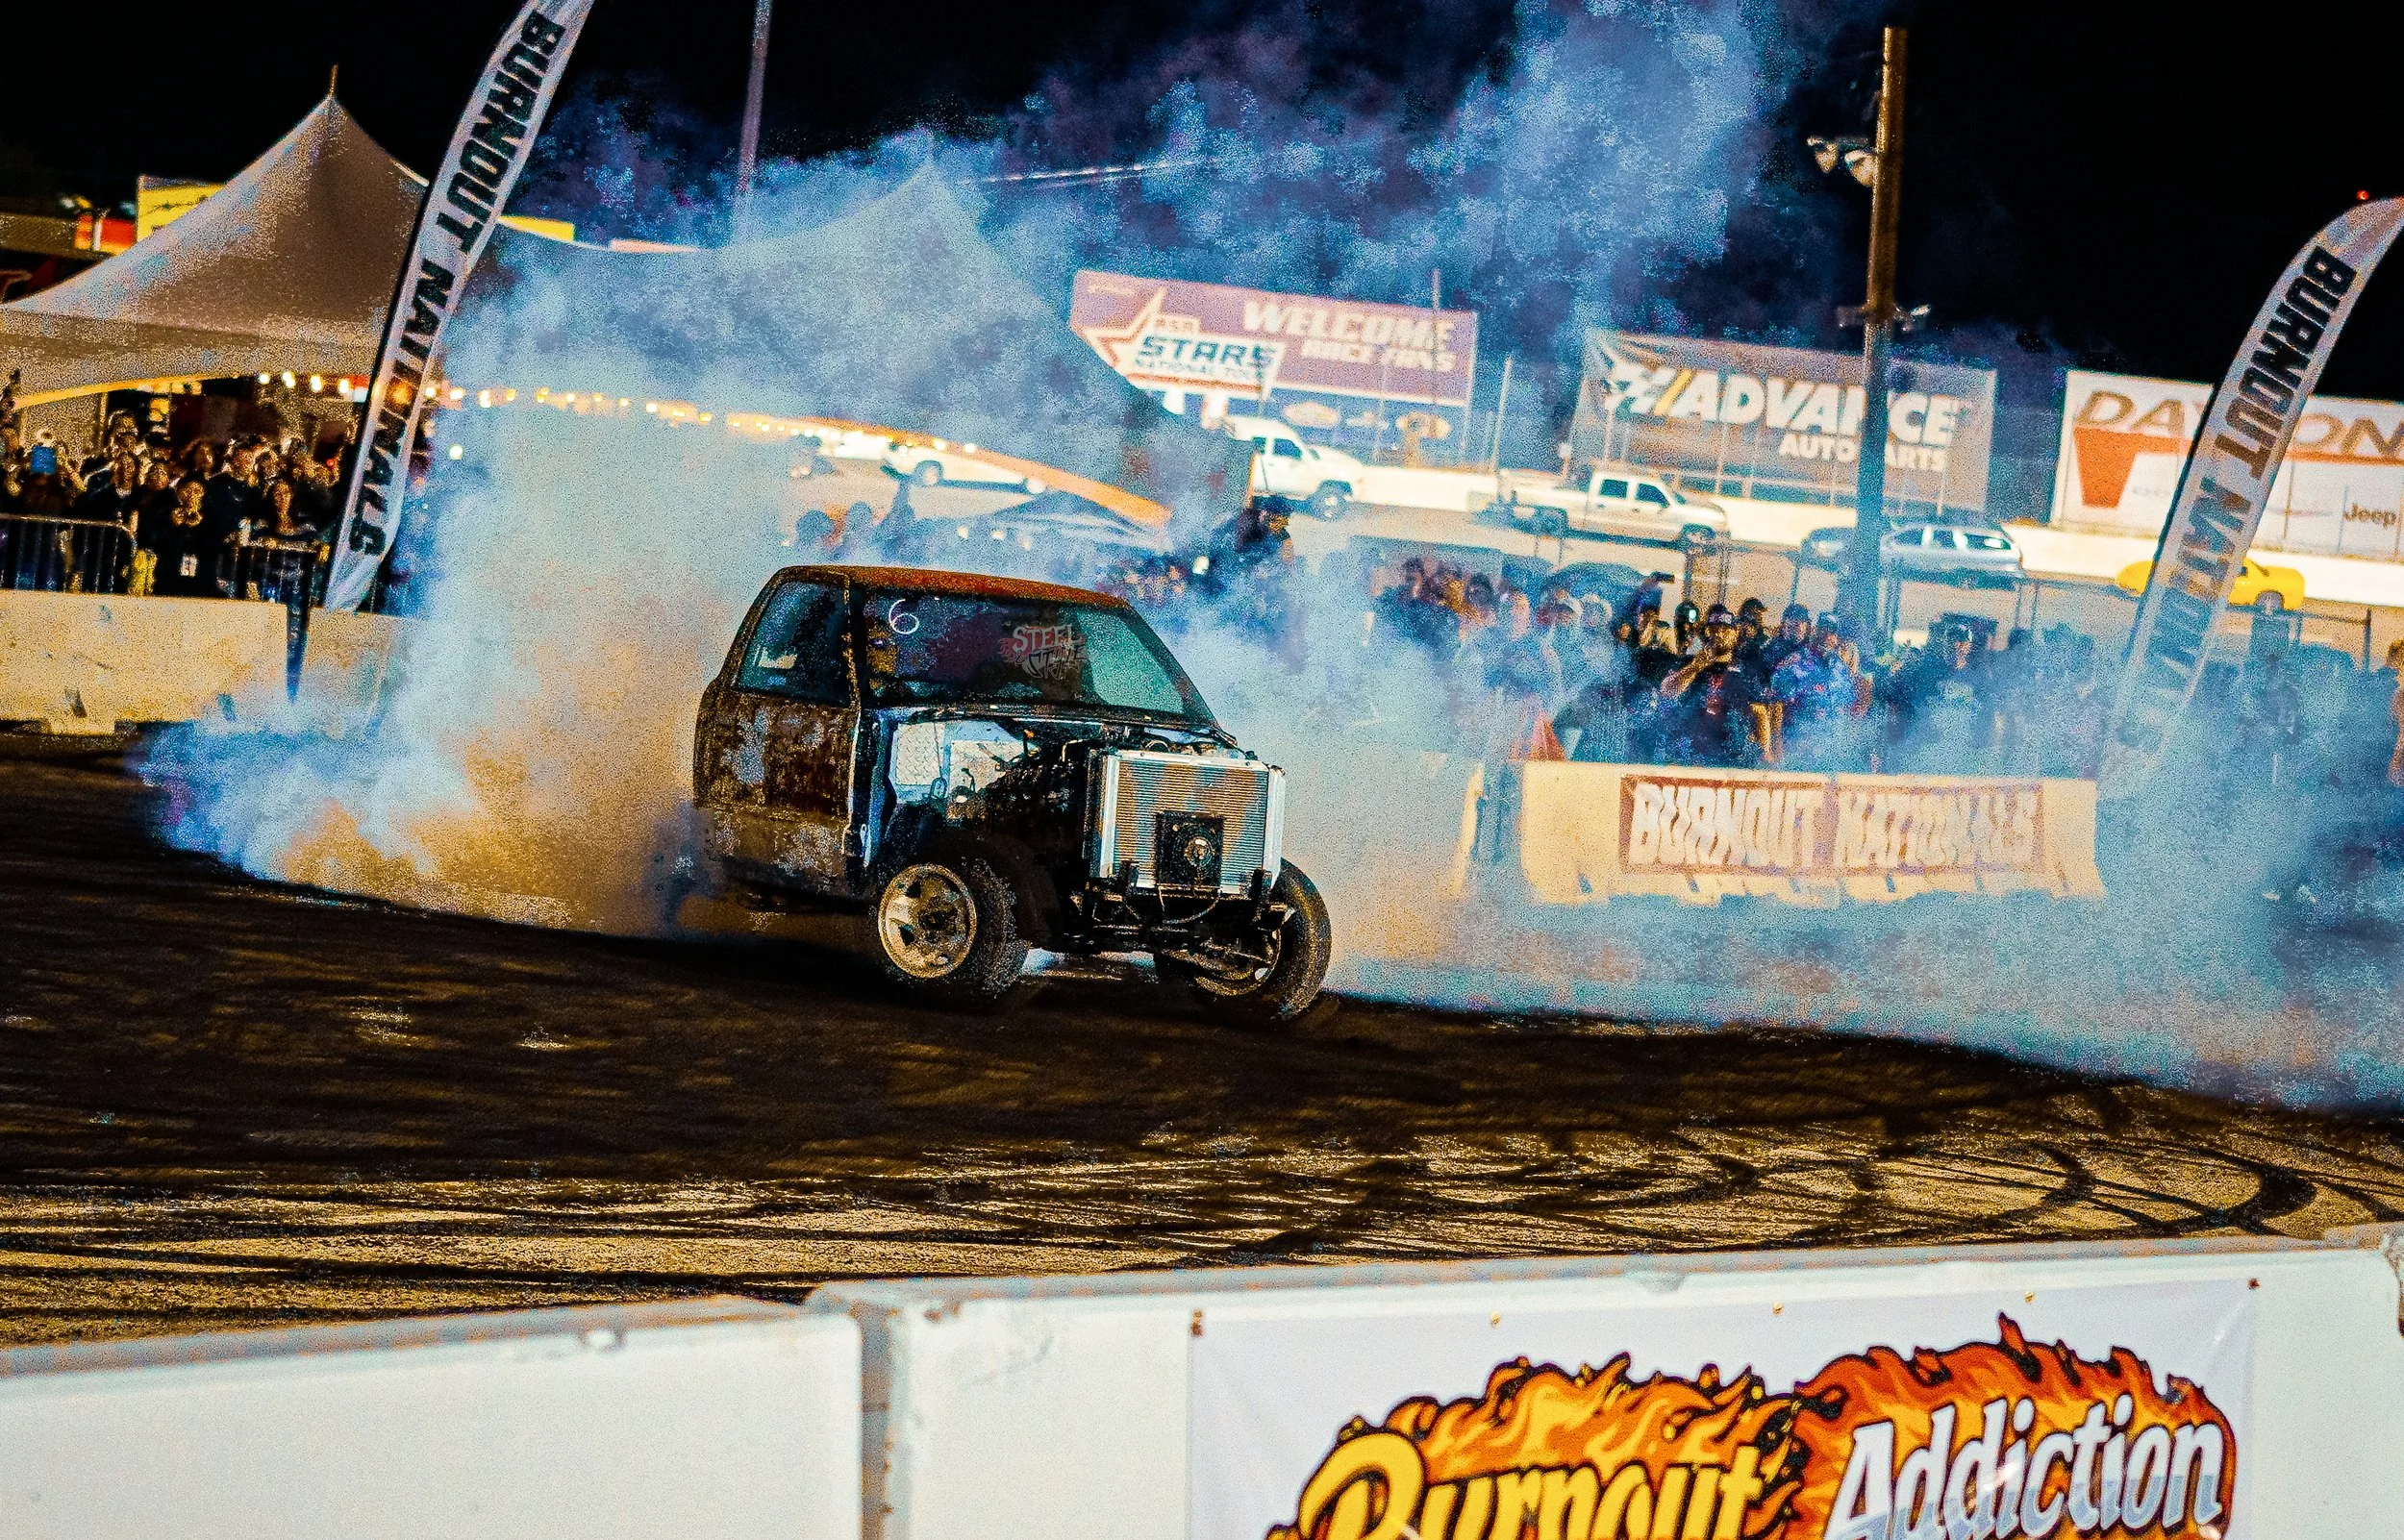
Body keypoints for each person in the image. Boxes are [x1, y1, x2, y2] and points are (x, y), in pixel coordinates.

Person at [1657, 605, 1759, 767]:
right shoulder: (1689, 662)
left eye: (1725, 630)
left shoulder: (1746, 669)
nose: (1718, 634)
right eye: (1713, 630)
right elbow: (1667, 691)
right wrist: (1695, 667)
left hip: (1731, 757)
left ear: (1735, 633)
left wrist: (1765, 750)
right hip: (1690, 754)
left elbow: (1761, 710)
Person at [1770, 613, 1861, 769]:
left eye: (1831, 631)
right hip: (1799, 744)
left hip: (1830, 749)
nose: (1826, 635)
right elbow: (1777, 701)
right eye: (1822, 629)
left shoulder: (1840, 667)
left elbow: (1848, 704)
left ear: (1836, 638)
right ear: (1815, 631)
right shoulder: (1796, 660)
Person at [142, 478, 220, 597]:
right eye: (188, 490)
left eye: (197, 491)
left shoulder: (211, 517)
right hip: (169, 577)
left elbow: (212, 547)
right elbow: (153, 541)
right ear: (179, 492)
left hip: (201, 582)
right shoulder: (165, 513)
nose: (192, 495)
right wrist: (173, 526)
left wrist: (198, 526)